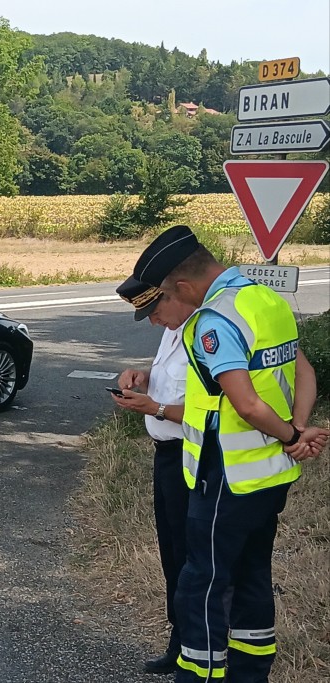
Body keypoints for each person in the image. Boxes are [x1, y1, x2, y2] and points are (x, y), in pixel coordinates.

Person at [132, 225, 328, 682]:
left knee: (202, 583)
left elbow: (247, 404)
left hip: (226, 476)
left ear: (183, 286)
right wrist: (298, 429)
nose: (160, 314)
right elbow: (304, 372)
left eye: (163, 299)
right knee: (253, 575)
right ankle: (249, 673)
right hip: (269, 475)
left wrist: (289, 435)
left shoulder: (214, 320)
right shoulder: (267, 301)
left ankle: (198, 675)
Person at [113, 276, 194, 674]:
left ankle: (195, 645)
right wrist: (143, 377)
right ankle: (179, 640)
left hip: (190, 456)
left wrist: (155, 408)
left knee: (188, 552)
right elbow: (173, 385)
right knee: (171, 551)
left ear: (175, 295)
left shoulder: (202, 336)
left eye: (155, 311)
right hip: (166, 455)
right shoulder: (172, 329)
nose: (153, 321)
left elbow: (213, 410)